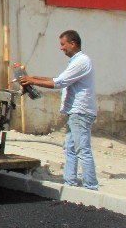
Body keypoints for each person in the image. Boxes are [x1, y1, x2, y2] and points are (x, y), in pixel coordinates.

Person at [20, 30, 98, 191]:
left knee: (82, 149)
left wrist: (32, 80)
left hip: (80, 112)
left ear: (73, 44)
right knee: (69, 148)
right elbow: (57, 79)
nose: (61, 48)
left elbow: (59, 82)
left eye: (63, 45)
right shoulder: (75, 62)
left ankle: (91, 187)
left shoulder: (82, 61)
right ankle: (70, 184)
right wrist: (32, 78)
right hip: (73, 112)